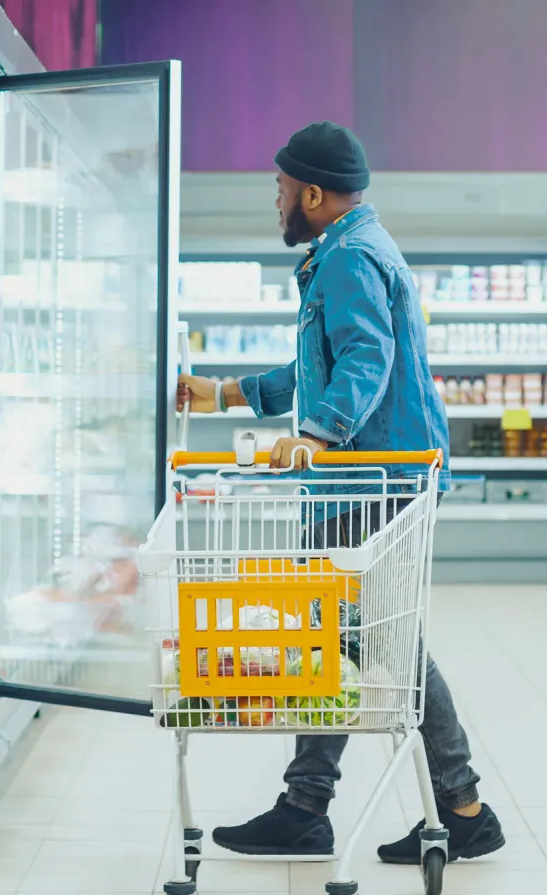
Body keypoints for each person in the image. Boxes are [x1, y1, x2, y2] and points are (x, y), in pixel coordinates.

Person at [177, 121, 506, 865]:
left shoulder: (350, 257)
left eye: (281, 187)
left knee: (376, 637)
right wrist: (226, 391)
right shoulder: (349, 248)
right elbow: (317, 366)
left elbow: (365, 355)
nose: (275, 199)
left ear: (313, 194)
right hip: (373, 476)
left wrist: (318, 436)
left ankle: (457, 806)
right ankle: (311, 804)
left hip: (372, 479)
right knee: (344, 633)